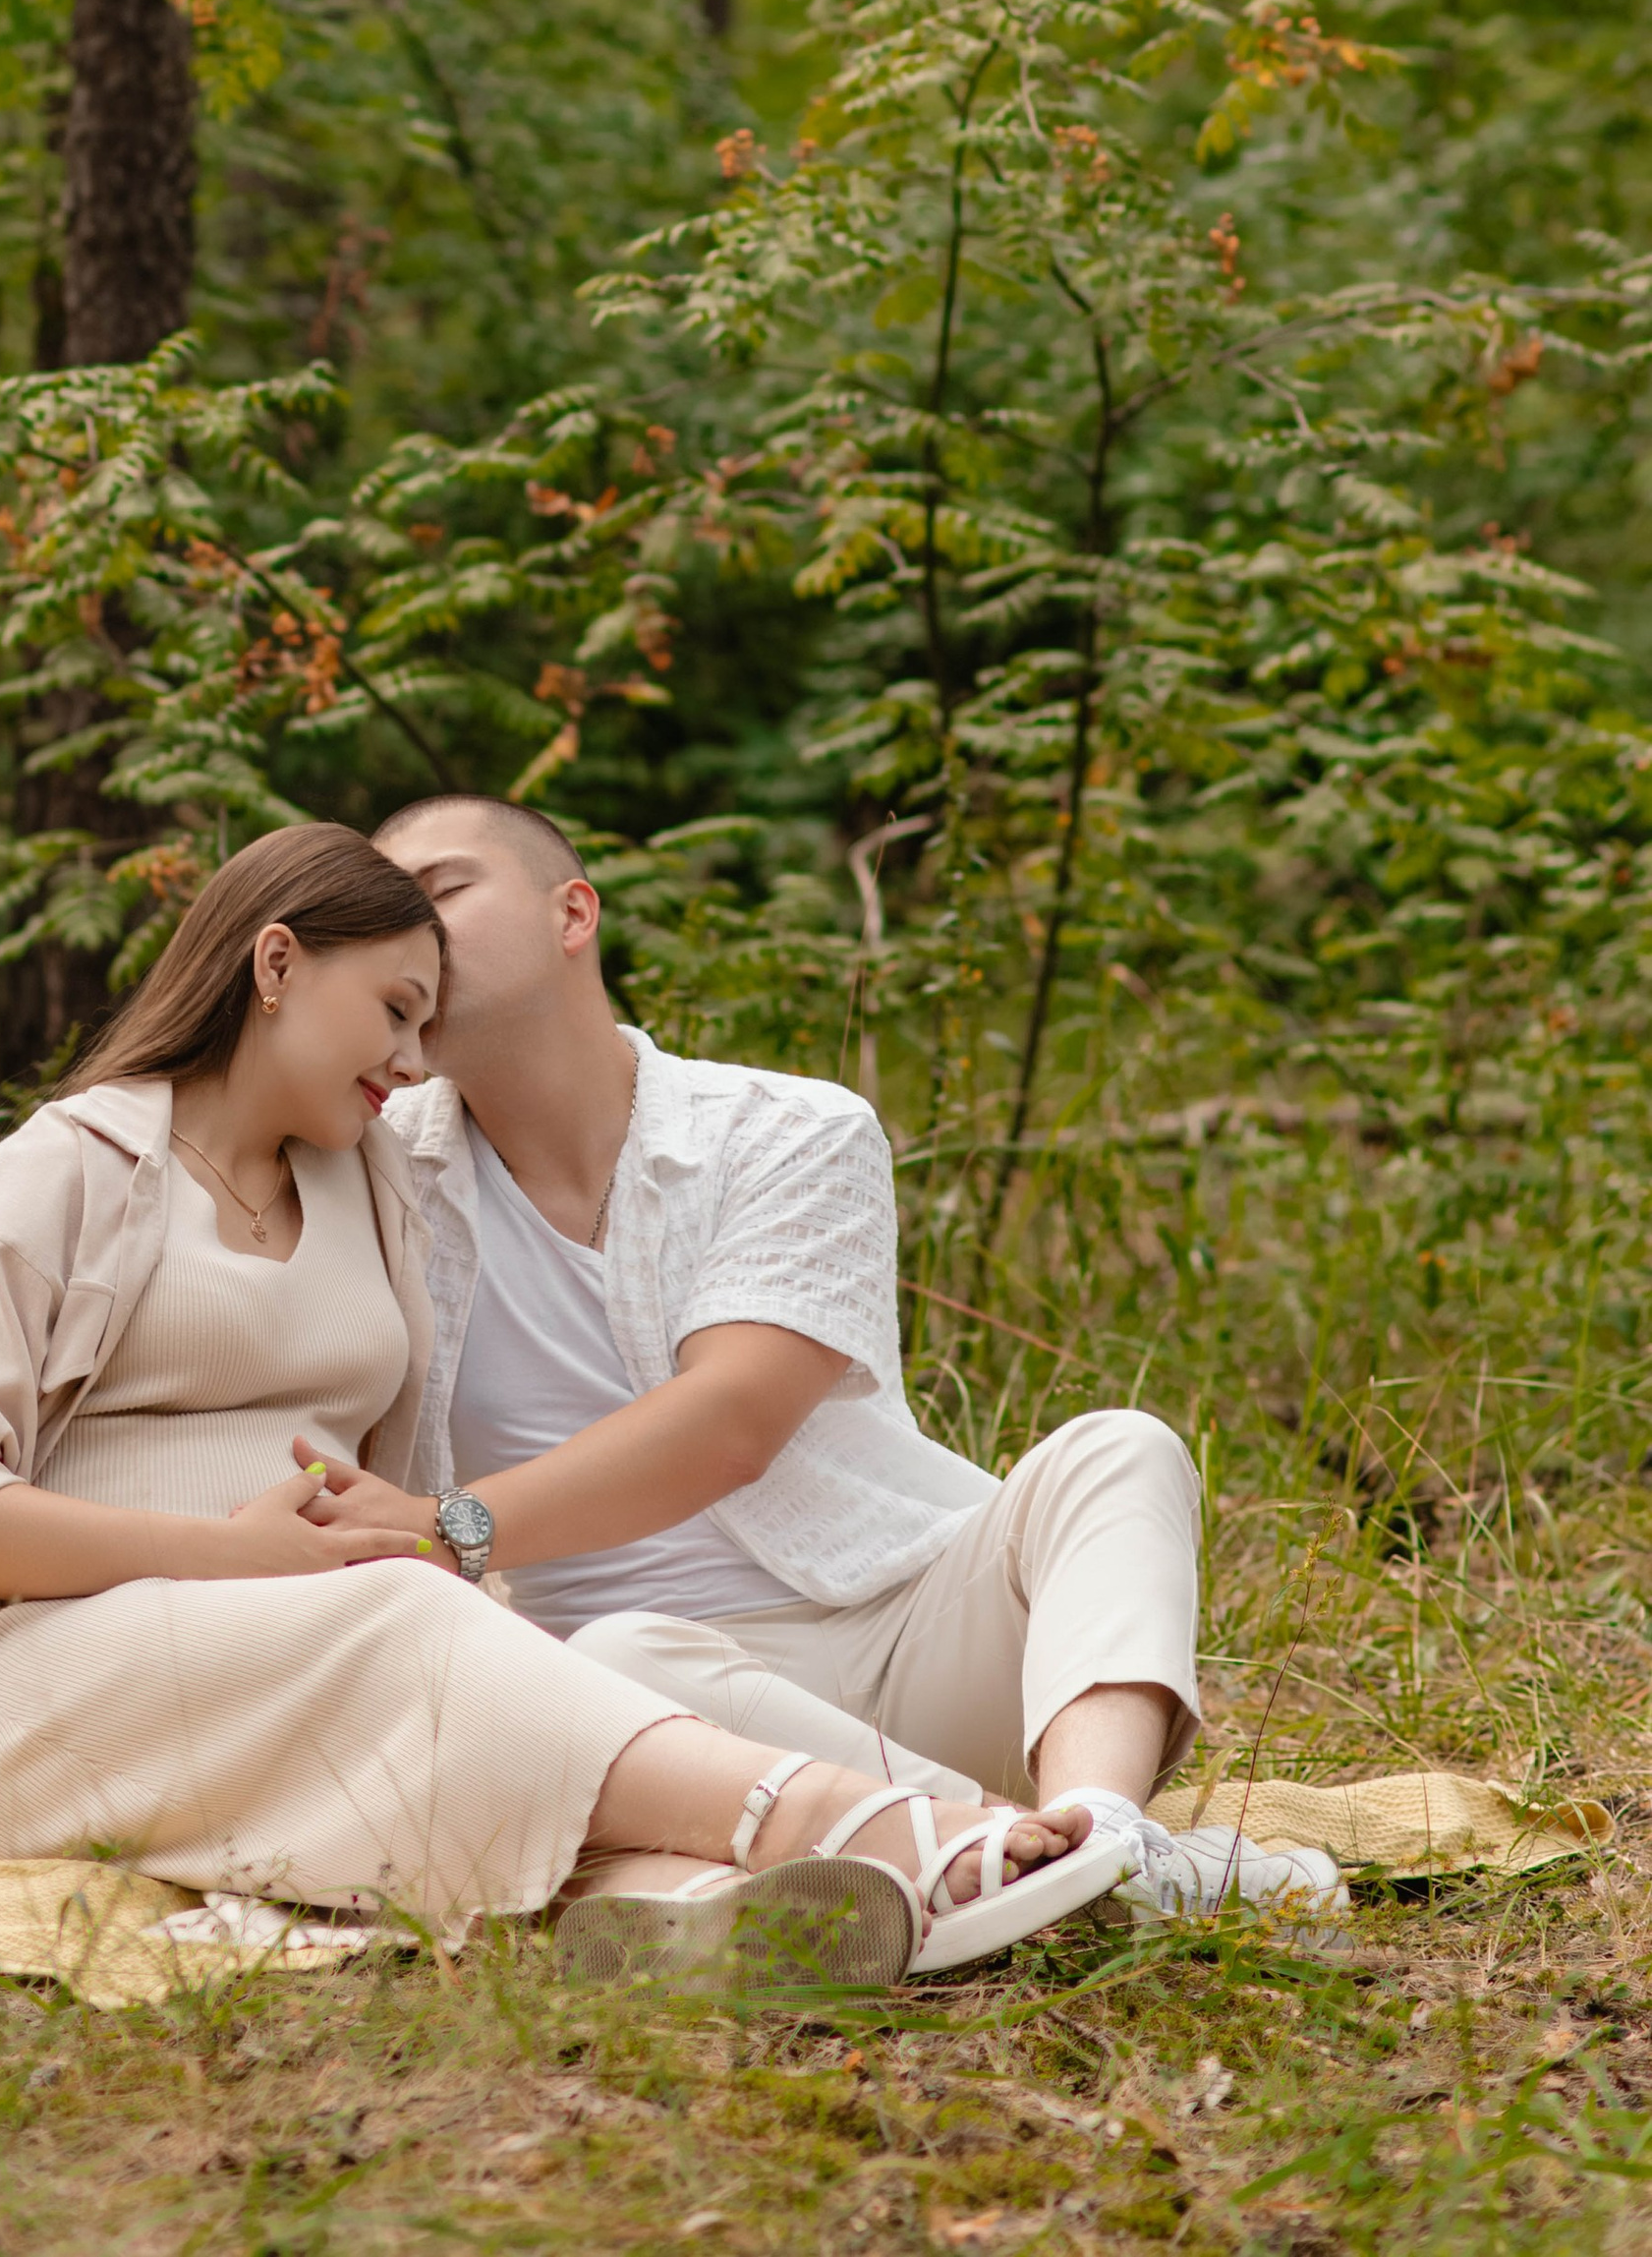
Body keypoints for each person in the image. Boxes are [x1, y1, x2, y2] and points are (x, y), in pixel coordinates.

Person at [0, 823, 1135, 1988]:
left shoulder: (378, 1194)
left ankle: (687, 1921)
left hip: (287, 1660)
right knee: (410, 1607)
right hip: (9, 1686)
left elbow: (420, 1484)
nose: (414, 1060)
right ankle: (864, 1818)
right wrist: (233, 1555)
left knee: (472, 1658)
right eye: (397, 1010)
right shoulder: (63, 1172)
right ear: (275, 962)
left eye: (429, 1020)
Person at [301, 796, 1340, 1930]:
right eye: (386, 915)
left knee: (1119, 1449)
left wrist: (445, 1525)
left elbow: (732, 1419)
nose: (415, 931)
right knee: (613, 1654)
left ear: (572, 913)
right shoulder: (373, 1173)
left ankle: (1105, 1827)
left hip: (909, 1628)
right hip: (669, 1712)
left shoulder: (786, 1129)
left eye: (443, 889)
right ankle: (1019, 1854)